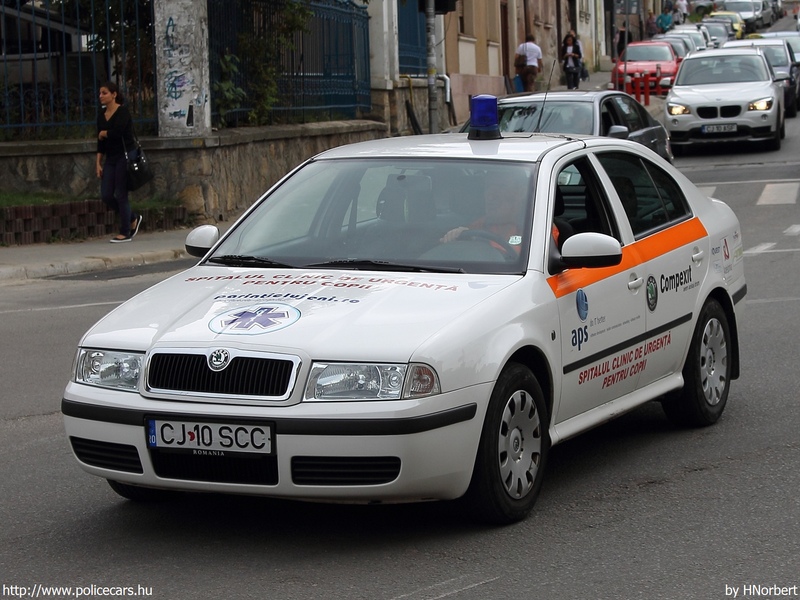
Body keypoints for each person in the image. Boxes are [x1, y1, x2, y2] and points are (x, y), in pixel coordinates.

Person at [440, 169, 530, 254]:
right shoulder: (477, 227)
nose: (490, 196)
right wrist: (456, 238)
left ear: (522, 192)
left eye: (501, 187)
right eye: (488, 187)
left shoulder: (537, 229)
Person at [96, 81, 143, 243]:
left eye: (104, 93)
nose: (101, 96)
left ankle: (125, 231)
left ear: (114, 94)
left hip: (125, 156)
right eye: (100, 93)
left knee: (121, 194)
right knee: (107, 195)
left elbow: (118, 132)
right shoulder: (101, 116)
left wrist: (104, 133)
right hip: (111, 158)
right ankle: (132, 217)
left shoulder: (123, 112)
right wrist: (98, 163)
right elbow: (100, 142)